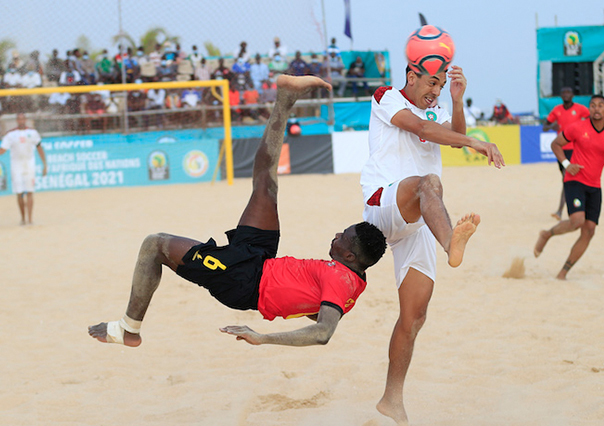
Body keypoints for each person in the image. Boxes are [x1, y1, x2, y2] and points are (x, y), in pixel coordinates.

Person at [88, 75, 387, 348]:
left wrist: (262, 337)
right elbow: (316, 311)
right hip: (262, 256)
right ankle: (285, 98)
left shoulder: (341, 281)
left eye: (343, 238)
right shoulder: (352, 277)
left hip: (243, 279)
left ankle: (128, 329)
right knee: (265, 182)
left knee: (154, 245)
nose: (337, 235)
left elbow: (323, 332)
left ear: (350, 256)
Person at [361, 65, 504, 425]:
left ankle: (391, 398)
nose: (436, 90)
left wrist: (457, 103)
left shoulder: (438, 109)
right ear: (411, 76)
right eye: (432, 83)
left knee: (415, 317)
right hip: (385, 204)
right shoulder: (387, 97)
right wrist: (476, 142)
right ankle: (450, 241)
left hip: (421, 222)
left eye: (440, 85)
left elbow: (452, 134)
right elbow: (423, 129)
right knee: (429, 182)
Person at [534, 94, 604, 279]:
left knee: (589, 230)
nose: (597, 109)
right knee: (577, 221)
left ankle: (563, 273)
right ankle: (546, 234)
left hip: (595, 186)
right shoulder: (578, 128)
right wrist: (566, 164)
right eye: (593, 105)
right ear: (589, 109)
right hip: (575, 180)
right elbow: (555, 144)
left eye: (601, 106)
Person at [543, 87, 589, 220]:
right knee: (568, 180)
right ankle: (574, 207)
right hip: (561, 150)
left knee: (567, 177)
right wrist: (552, 127)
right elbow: (545, 127)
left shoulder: (580, 109)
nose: (566, 95)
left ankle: (561, 210)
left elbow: (592, 121)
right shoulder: (557, 110)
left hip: (576, 149)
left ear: (573, 95)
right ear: (561, 95)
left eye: (568, 92)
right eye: (563, 93)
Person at [0, 113, 47, 225]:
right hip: (16, 166)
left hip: (29, 165)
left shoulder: (33, 133)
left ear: (25, 120)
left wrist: (45, 164)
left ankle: (30, 219)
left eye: (23, 119)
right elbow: (3, 149)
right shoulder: (11, 134)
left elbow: (39, 147)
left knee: (30, 191)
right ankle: (23, 218)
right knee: (19, 192)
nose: (21, 121)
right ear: (17, 120)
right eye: (19, 119)